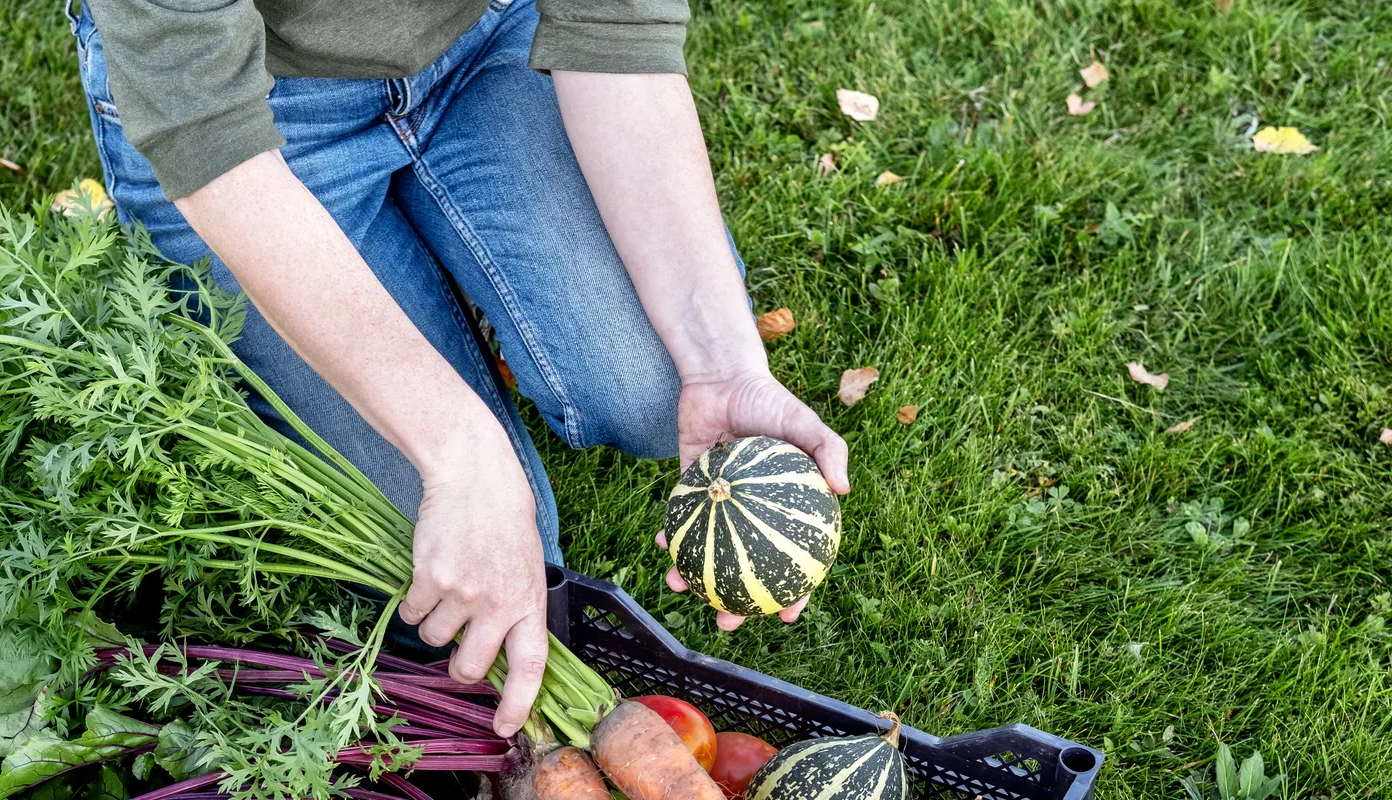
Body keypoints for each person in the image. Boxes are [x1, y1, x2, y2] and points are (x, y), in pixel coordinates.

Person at [69, 0, 850, 738]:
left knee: (656, 394)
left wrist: (722, 361)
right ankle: (425, 293)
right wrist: (460, 451)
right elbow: (208, 134)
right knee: (463, 582)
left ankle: (440, 264)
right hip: (253, 119)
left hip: (478, 43)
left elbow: (617, 27)